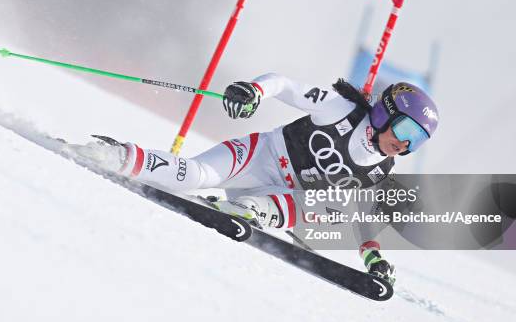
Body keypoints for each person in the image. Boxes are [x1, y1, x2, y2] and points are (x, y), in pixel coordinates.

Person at [66, 73, 439, 285]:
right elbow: (287, 84)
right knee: (191, 175)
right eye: (406, 129)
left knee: (337, 205)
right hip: (260, 156)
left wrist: (373, 259)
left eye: (417, 140)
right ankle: (116, 155)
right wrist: (254, 92)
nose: (405, 144)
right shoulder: (340, 109)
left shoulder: (380, 169)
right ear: (385, 113)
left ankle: (250, 211)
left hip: (280, 195)